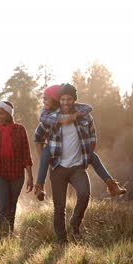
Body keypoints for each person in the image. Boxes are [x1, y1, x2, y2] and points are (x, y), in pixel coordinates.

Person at [34, 84, 126, 201]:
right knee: (44, 156)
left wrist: (76, 115)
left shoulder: (77, 110)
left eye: (46, 98)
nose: (43, 101)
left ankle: (111, 185)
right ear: (59, 100)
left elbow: (88, 108)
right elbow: (42, 119)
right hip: (53, 147)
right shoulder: (47, 113)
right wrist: (61, 120)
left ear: (54, 99)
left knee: (94, 157)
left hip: (78, 152)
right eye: (63, 99)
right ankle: (39, 187)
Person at [34, 84, 95, 244]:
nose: (66, 102)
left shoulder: (84, 117)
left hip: (77, 167)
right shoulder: (52, 117)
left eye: (69, 99)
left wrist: (86, 156)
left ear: (74, 100)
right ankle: (62, 239)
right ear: (59, 100)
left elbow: (93, 136)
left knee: (84, 194)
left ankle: (75, 224)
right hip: (58, 168)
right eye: (63, 99)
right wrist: (44, 155)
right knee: (59, 207)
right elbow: (38, 134)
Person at [0, 101, 34, 239]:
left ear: (9, 114)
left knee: (11, 206)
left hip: (16, 174)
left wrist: (30, 176)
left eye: (1, 113)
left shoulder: (20, 130)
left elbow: (26, 154)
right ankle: (2, 237)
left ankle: (9, 235)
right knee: (2, 205)